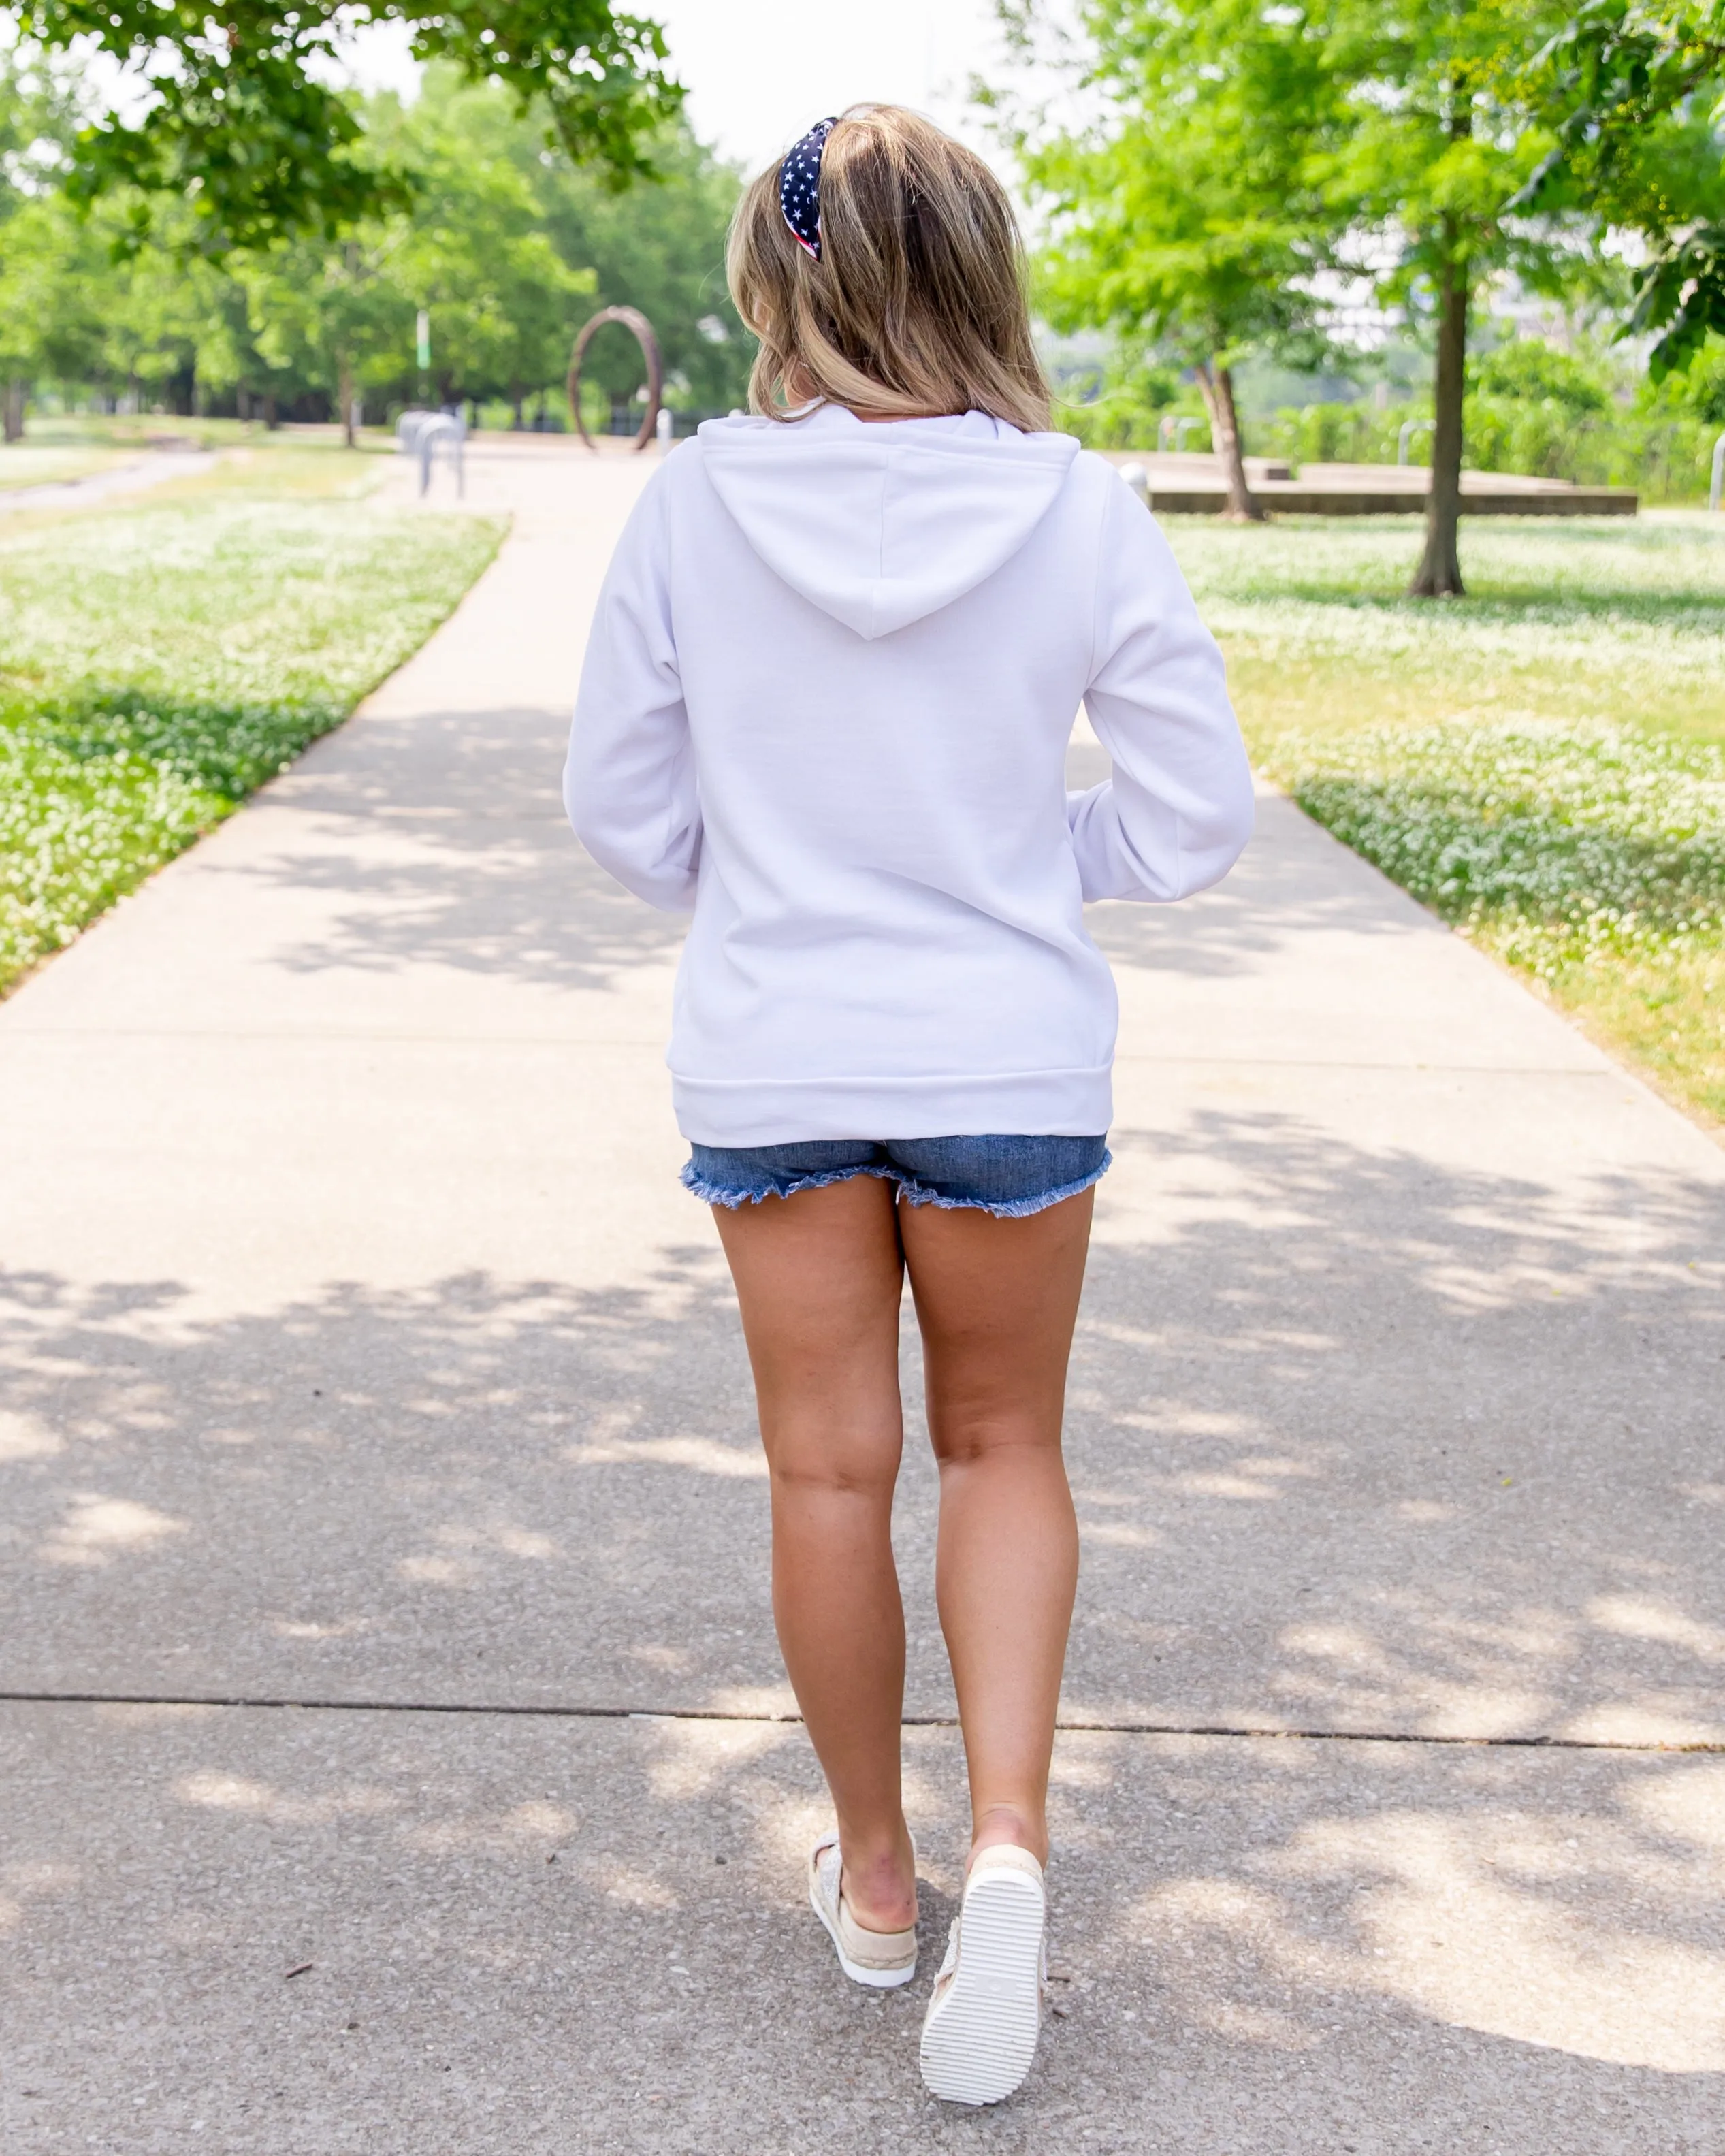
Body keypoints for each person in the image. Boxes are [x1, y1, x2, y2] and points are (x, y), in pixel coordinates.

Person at [564, 103, 1253, 2108]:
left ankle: (875, 1881)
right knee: (1004, 1442)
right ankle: (1011, 1842)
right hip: (1007, 1053)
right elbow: (1195, 816)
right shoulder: (1079, 505)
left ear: (776, 286)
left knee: (829, 1470)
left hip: (778, 1040)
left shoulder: (693, 507)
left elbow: (621, 808)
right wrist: (1030, 870)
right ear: (979, 269)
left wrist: (781, 885)